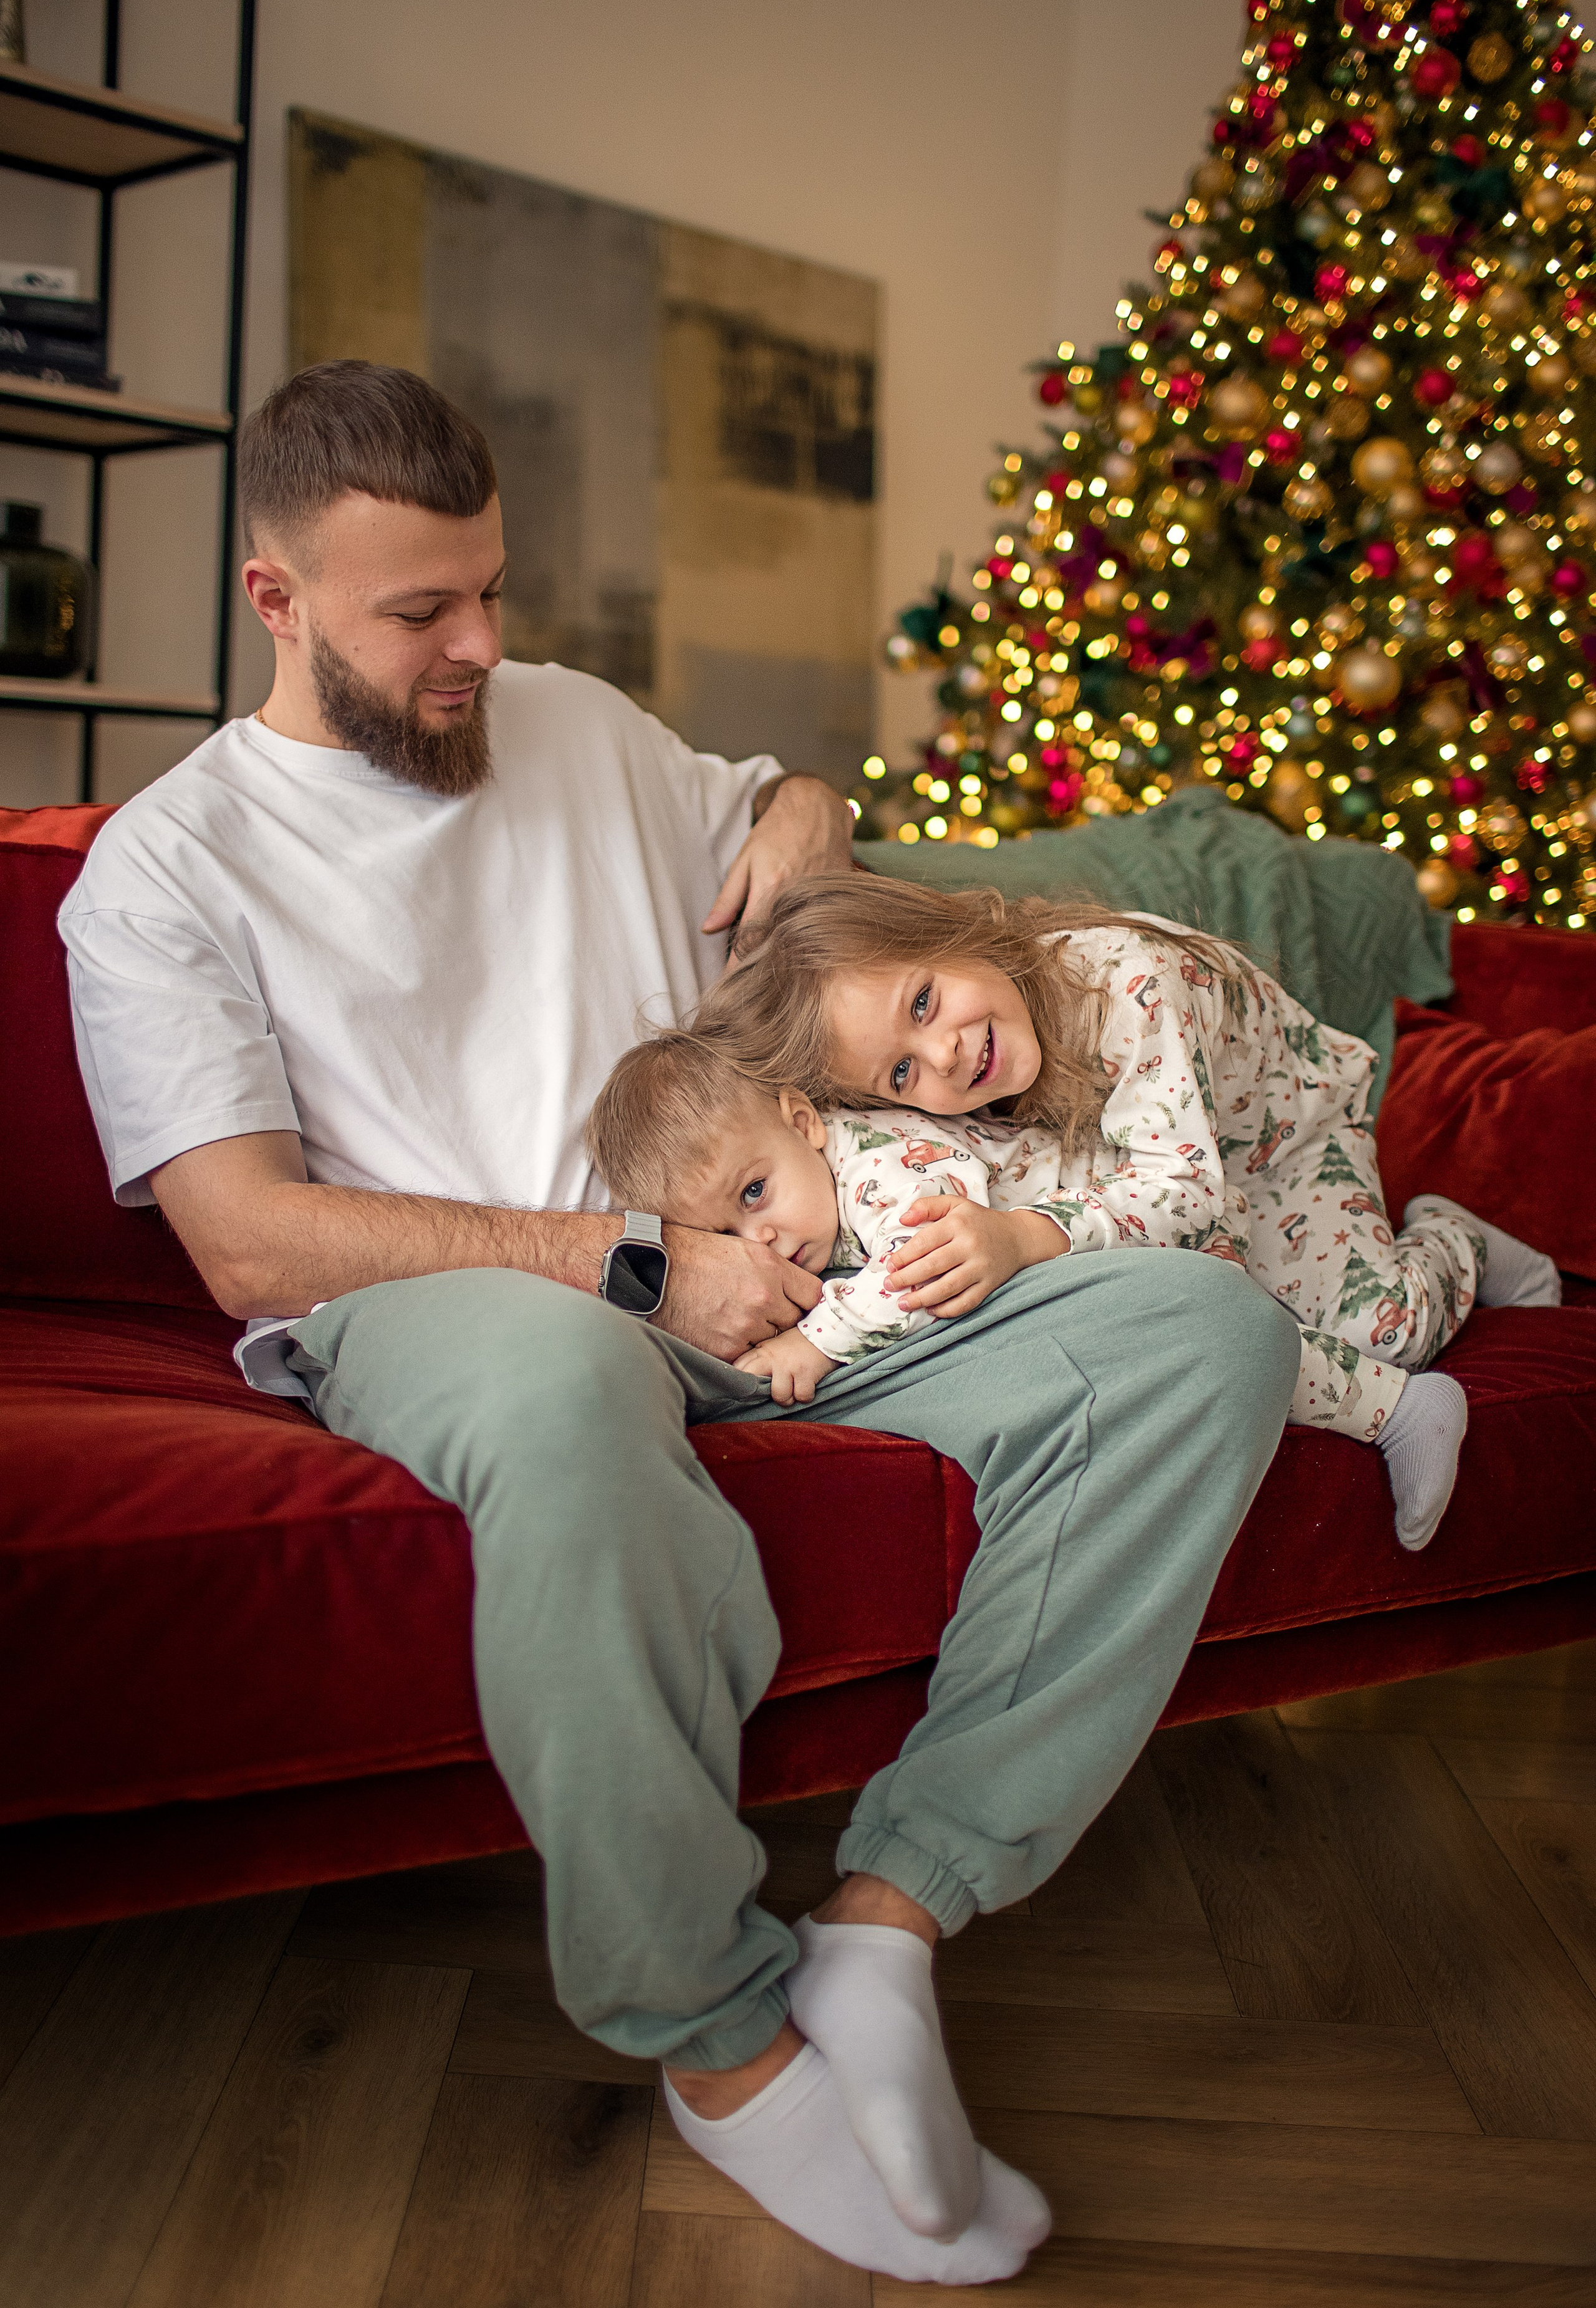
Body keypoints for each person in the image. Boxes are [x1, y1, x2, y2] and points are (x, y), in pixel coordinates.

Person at [58, 359, 1300, 2284]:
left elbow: (785, 806)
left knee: (1205, 1332)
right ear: (276, 599)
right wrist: (633, 1263)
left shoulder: (562, 719)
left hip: (792, 1262)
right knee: (564, 1389)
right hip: (460, 1303)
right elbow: (245, 1240)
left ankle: (892, 1920)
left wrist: (807, 821)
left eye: (492, 590)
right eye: (419, 614)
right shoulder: (165, 869)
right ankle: (718, 2048)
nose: (480, 645)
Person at [688, 869, 1563, 1558]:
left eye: (923, 1003)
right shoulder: (943, 1089)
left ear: (949, 932)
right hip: (1148, 1153)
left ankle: (1454, 1238)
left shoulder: (1128, 986)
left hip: (1276, 1143)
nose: (944, 1054)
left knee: (1386, 1327)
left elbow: (1180, 1195)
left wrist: (1028, 1236)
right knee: (1189, 1312)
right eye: (902, 1074)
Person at [586, 1020, 1478, 1543]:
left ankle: (1399, 1402)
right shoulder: (808, 1218)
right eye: (723, 1232)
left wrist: (813, 1340)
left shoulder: (877, 1163)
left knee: (1227, 1328)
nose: (762, 1237)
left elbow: (914, 1268)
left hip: (1140, 1222)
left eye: (754, 1192)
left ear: (803, 1122)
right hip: (1091, 1277)